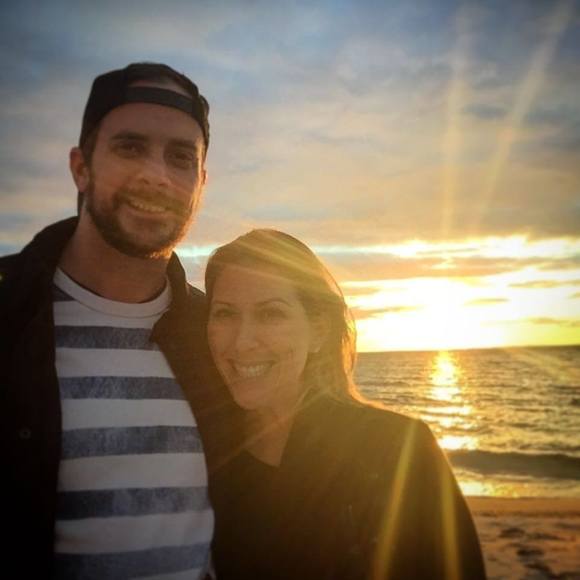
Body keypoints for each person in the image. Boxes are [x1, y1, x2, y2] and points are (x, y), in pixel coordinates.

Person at [0, 62, 231, 579]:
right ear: (81, 167)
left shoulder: (215, 336)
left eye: (181, 157)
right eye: (130, 147)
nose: (156, 175)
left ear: (200, 182)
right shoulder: (10, 318)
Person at [205, 229, 487, 579]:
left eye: (270, 314)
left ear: (319, 331)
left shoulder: (399, 449)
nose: (242, 342)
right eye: (225, 314)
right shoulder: (204, 449)